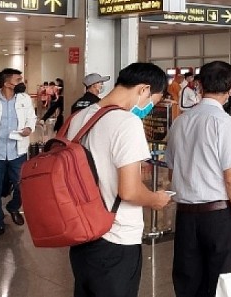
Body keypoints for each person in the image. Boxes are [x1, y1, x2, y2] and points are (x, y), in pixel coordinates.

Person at [65, 63, 172, 297]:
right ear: (144, 89)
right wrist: (156, 199)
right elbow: (130, 191)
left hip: (82, 233)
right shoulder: (127, 123)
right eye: (152, 101)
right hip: (116, 238)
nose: (148, 108)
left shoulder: (80, 117)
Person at [166, 61, 231, 297]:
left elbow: (172, 171)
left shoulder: (180, 122)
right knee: (220, 283)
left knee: (188, 283)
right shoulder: (225, 124)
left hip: (185, 215)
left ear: (199, 85)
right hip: (218, 217)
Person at [0, 68, 36, 238]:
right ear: (7, 83)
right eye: (18, 80)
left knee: (22, 187)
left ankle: (13, 207)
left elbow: (31, 118)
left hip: (17, 152)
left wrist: (28, 128)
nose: (21, 83)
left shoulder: (24, 99)